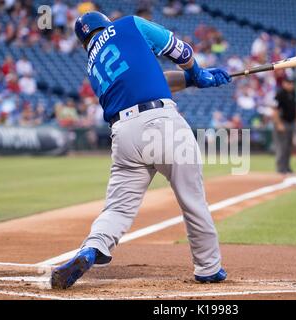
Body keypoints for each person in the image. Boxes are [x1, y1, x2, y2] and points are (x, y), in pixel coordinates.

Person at [50, 11, 231, 289]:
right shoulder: (128, 24)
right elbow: (178, 49)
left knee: (118, 209)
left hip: (124, 134)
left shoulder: (93, 63)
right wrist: (196, 72)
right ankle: (209, 268)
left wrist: (192, 79)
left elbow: (154, 79)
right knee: (192, 200)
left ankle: (92, 248)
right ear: (106, 22)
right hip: (163, 123)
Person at [272, 75, 296, 175]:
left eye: (292, 83)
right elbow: (275, 110)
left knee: (289, 146)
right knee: (282, 146)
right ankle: (281, 168)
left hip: (291, 122)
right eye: (289, 83)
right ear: (284, 83)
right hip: (283, 122)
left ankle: (287, 167)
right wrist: (279, 124)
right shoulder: (280, 94)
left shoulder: (293, 93)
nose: (291, 85)